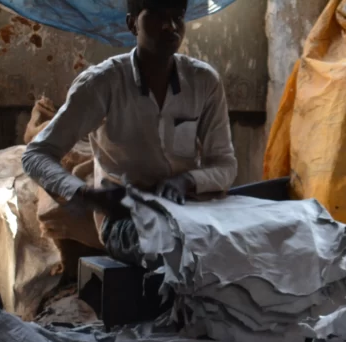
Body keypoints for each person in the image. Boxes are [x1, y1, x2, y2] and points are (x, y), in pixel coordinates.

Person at [21, 0, 236, 265]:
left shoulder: (204, 81)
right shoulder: (102, 83)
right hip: (127, 219)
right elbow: (36, 155)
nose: (170, 27)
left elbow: (224, 165)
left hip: (192, 208)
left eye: (177, 16)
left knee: (252, 239)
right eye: (157, 15)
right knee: (175, 247)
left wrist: (187, 181)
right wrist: (85, 194)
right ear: (132, 24)